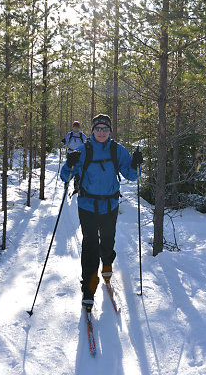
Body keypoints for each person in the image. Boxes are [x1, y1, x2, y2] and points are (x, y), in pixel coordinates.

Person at [60, 114, 143, 309]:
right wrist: (69, 164)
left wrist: (136, 164)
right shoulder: (83, 150)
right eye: (98, 128)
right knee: (90, 246)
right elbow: (66, 176)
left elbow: (131, 176)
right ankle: (88, 289)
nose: (102, 132)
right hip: (87, 205)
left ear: (110, 131)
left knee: (107, 241)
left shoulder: (117, 150)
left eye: (105, 129)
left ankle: (107, 266)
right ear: (92, 131)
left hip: (110, 205)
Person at [62, 121, 87, 193]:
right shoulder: (69, 134)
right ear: (72, 127)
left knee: (77, 170)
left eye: (77, 127)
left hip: (79, 155)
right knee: (68, 169)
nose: (75, 128)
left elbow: (86, 144)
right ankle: (66, 183)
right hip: (70, 154)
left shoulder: (82, 135)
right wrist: (63, 142)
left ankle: (76, 186)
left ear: (79, 127)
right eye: (74, 126)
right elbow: (65, 143)